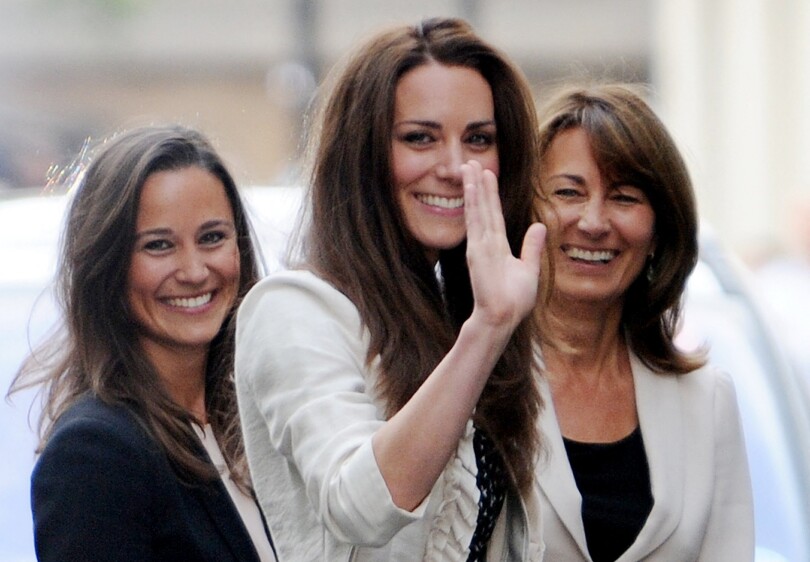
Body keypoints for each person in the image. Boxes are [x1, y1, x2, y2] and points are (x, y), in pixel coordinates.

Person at [235, 17, 546, 561]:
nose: (454, 167)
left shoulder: (465, 306)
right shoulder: (294, 310)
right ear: (364, 153)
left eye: (478, 139)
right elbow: (358, 507)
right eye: (419, 138)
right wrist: (488, 328)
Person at [9, 125, 277, 561]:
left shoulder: (251, 425)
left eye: (212, 238)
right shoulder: (94, 453)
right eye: (158, 246)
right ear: (106, 265)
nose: (193, 270)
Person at [532, 83, 754, 561]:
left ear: (658, 232)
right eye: (568, 192)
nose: (593, 221)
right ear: (527, 214)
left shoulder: (706, 402)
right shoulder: (473, 383)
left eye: (624, 197)